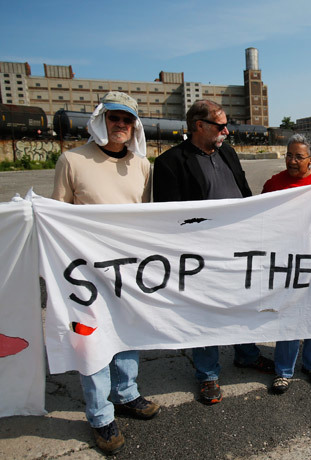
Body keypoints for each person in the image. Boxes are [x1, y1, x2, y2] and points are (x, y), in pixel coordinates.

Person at [52, 91, 159, 454]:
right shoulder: (72, 160)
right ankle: (100, 415)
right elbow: (57, 217)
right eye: (115, 118)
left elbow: (146, 220)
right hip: (84, 274)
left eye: (128, 120)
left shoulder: (142, 166)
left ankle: (127, 393)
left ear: (135, 126)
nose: (121, 125)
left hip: (129, 271)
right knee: (93, 341)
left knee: (128, 332)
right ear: (101, 119)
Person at [153, 99, 274, 405]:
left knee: (243, 304)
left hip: (239, 249)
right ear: (199, 126)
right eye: (220, 126)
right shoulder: (171, 163)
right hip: (201, 257)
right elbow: (171, 219)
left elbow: (245, 195)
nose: (227, 131)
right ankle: (208, 374)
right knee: (205, 313)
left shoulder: (228, 153)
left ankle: (247, 354)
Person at [262, 134, 311, 394]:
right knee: (289, 313)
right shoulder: (274, 184)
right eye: (289, 155)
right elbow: (261, 220)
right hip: (287, 260)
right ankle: (283, 370)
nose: (292, 161)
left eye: (298, 157)